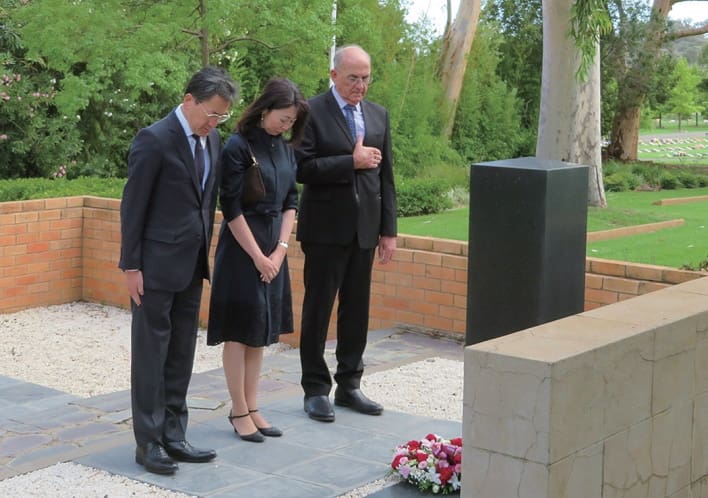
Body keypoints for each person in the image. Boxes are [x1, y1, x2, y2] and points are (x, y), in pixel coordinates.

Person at [119, 66, 237, 474]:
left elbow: (205, 202)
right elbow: (132, 207)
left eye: (222, 116)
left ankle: (174, 433)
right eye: (211, 113)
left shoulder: (214, 139)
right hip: (153, 267)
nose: (215, 122)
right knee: (151, 354)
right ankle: (148, 442)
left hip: (191, 265)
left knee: (181, 351)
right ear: (189, 100)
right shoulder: (154, 140)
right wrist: (131, 265)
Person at [295, 45, 397, 423]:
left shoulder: (378, 115)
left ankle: (350, 385)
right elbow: (301, 167)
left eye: (366, 77)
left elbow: (386, 178)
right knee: (319, 309)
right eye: (353, 77)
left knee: (357, 310)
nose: (361, 85)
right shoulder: (311, 112)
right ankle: (315, 389)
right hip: (324, 230)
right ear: (334, 75)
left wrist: (389, 231)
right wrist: (349, 162)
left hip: (365, 231)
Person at [207, 78, 309, 442]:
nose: (287, 126)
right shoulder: (237, 146)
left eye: (292, 121)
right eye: (283, 118)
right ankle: (237, 409)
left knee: (259, 332)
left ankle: (253, 405)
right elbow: (230, 207)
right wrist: (258, 257)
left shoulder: (284, 149)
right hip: (242, 248)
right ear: (265, 110)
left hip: (273, 247)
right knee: (239, 331)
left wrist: (279, 251)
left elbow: (290, 202)